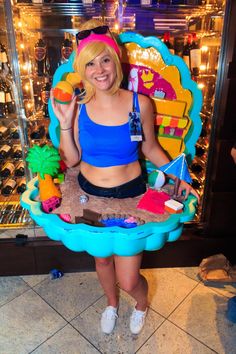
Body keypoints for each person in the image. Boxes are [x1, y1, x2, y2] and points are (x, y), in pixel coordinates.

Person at [51, 19, 199, 335]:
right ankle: (111, 303)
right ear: (82, 68)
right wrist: (65, 123)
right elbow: (73, 159)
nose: (99, 69)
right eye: (89, 62)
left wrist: (179, 178)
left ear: (116, 59)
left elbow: (151, 148)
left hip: (132, 196)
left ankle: (141, 304)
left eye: (105, 58)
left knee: (130, 277)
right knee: (103, 261)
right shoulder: (79, 106)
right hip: (89, 197)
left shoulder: (139, 103)